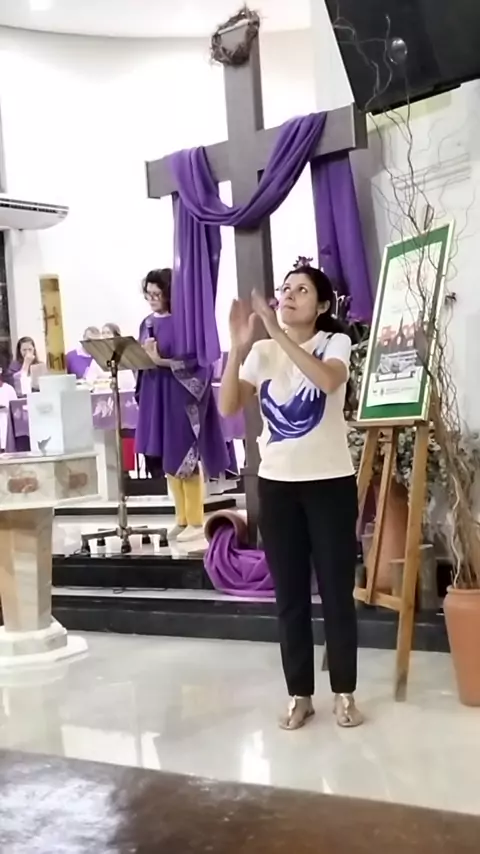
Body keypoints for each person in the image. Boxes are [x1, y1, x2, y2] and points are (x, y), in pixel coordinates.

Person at [219, 263, 363, 730]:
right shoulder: (261, 352)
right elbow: (228, 406)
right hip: (278, 486)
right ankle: (300, 694)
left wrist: (277, 334)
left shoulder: (334, 342)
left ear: (321, 305)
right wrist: (238, 347)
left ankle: (344, 692)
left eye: (301, 290)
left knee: (337, 594)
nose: (288, 295)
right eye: (285, 289)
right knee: (291, 597)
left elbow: (327, 381)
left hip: (330, 483)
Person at [136, 268, 229, 543]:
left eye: (157, 294)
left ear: (169, 294)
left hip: (181, 396)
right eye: (148, 294)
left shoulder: (185, 324)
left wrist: (162, 361)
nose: (152, 299)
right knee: (168, 460)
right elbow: (142, 359)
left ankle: (197, 520)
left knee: (184, 458)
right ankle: (181, 518)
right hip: (157, 394)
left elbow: (199, 363)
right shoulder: (146, 323)